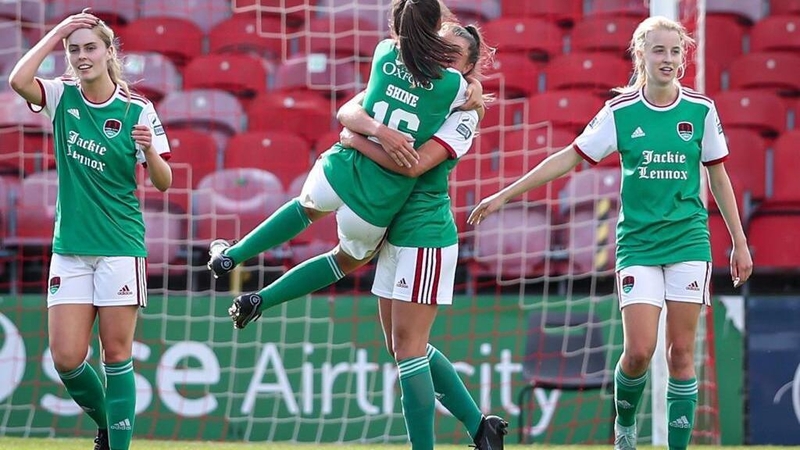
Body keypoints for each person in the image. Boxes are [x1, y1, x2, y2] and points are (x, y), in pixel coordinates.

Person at [468, 16, 752, 450]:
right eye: (659, 50)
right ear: (640, 55)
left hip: (689, 242)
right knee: (638, 352)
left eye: (676, 51)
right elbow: (567, 158)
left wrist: (739, 241)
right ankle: (625, 427)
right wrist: (506, 194)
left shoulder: (700, 109)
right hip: (637, 245)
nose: (669, 59)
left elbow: (719, 177)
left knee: (680, 352)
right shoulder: (620, 113)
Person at [207, 0, 479, 329]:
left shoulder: (384, 52)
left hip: (340, 165)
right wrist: (473, 86)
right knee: (345, 260)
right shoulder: (456, 87)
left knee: (304, 208)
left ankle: (231, 256)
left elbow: (350, 112)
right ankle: (262, 300)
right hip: (376, 199)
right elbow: (473, 97)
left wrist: (361, 136)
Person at [8, 9, 172, 450]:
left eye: (90, 48)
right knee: (66, 359)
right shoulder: (61, 96)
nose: (82, 57)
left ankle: (116, 446)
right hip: (71, 248)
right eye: (74, 49)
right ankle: (111, 425)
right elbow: (18, 81)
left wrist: (149, 152)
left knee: (116, 356)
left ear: (108, 53)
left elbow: (163, 181)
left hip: (120, 247)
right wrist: (57, 31)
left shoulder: (138, 109)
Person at [338, 22, 506, 450]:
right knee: (402, 348)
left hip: (425, 234)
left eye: (452, 59)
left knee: (410, 350)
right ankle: (481, 428)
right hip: (394, 232)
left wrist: (357, 142)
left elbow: (412, 165)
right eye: (437, 49)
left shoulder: (463, 115)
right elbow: (348, 111)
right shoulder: (401, 84)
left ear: (467, 73)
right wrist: (366, 129)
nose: (439, 60)